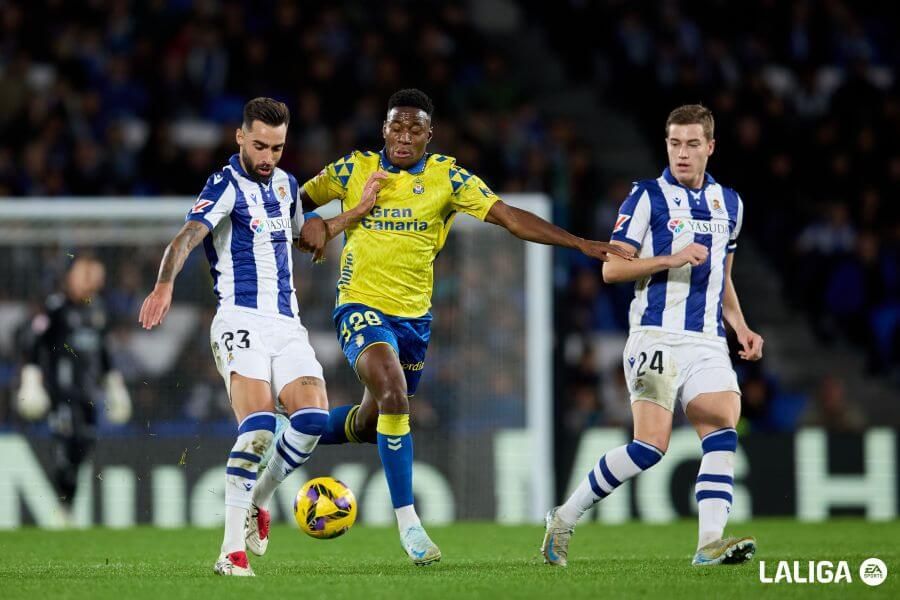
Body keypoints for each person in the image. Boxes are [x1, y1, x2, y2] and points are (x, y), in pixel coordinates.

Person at [283, 88, 632, 566]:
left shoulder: (448, 176)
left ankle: (283, 433)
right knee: (393, 390)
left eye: (415, 128)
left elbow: (509, 217)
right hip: (359, 306)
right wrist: (321, 223)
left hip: (414, 321)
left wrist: (580, 244)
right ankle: (410, 524)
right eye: (396, 126)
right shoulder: (354, 168)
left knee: (370, 422)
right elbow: (288, 204)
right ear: (384, 129)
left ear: (430, 134)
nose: (404, 136)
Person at [138, 97, 377, 577]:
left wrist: (357, 211)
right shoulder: (225, 184)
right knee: (260, 428)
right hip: (239, 320)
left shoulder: (288, 186)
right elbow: (187, 235)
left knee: (310, 420)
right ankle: (230, 553)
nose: (269, 157)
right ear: (241, 138)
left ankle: (257, 504)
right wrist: (164, 282)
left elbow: (302, 237)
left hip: (287, 325)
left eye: (278, 147)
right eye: (261, 145)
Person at [541, 104, 764, 567]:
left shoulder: (731, 204)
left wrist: (739, 325)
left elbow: (722, 276)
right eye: (674, 143)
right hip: (655, 336)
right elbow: (611, 268)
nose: (682, 153)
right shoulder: (646, 197)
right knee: (650, 447)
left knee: (722, 428)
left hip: (706, 341)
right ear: (667, 145)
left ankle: (708, 544)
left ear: (710, 147)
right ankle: (563, 517)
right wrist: (668, 258)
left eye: (692, 144)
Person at [16, 256, 132, 523]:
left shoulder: (98, 310)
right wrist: (31, 382)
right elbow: (34, 345)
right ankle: (63, 507)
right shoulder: (56, 308)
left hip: (90, 395)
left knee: (84, 445)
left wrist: (115, 388)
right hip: (62, 393)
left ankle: (67, 508)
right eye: (84, 275)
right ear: (71, 278)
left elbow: (104, 354)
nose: (90, 282)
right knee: (67, 446)